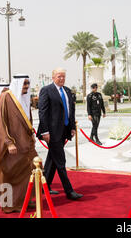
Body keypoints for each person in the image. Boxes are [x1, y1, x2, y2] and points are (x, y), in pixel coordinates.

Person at [0, 75, 37, 213]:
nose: (26, 87)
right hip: (12, 146)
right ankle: (8, 204)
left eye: (28, 84)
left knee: (28, 173)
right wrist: (8, 142)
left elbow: (28, 120)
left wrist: (31, 136)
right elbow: (0, 123)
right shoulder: (6, 97)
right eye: (24, 84)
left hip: (25, 145)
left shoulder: (24, 98)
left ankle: (24, 201)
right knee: (8, 175)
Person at [37, 68, 83, 200]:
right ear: (53, 77)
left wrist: (72, 127)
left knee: (52, 159)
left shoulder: (67, 91)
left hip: (64, 130)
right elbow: (42, 112)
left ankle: (43, 187)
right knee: (61, 161)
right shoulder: (46, 90)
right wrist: (45, 131)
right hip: (51, 132)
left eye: (63, 76)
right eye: (59, 76)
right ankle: (69, 191)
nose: (62, 78)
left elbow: (71, 110)